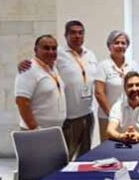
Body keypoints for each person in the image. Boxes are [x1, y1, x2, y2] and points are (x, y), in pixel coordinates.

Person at [18, 21, 99, 158]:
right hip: (69, 118)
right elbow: (39, 64)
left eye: (80, 33)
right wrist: (22, 64)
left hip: (87, 113)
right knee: (65, 158)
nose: (77, 36)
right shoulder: (58, 54)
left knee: (84, 156)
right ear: (66, 35)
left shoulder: (90, 55)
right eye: (73, 33)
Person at [95, 31, 139, 141]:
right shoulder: (103, 66)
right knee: (109, 147)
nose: (120, 46)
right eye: (116, 43)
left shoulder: (133, 65)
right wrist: (113, 116)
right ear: (109, 45)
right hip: (107, 116)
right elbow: (99, 93)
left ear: (127, 46)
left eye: (123, 43)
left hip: (130, 116)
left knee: (130, 145)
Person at [15, 35, 67, 130]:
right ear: (36, 50)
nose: (51, 51)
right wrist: (34, 128)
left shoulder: (53, 67)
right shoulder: (28, 69)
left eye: (54, 48)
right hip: (37, 130)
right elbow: (22, 101)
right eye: (46, 48)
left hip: (55, 129)